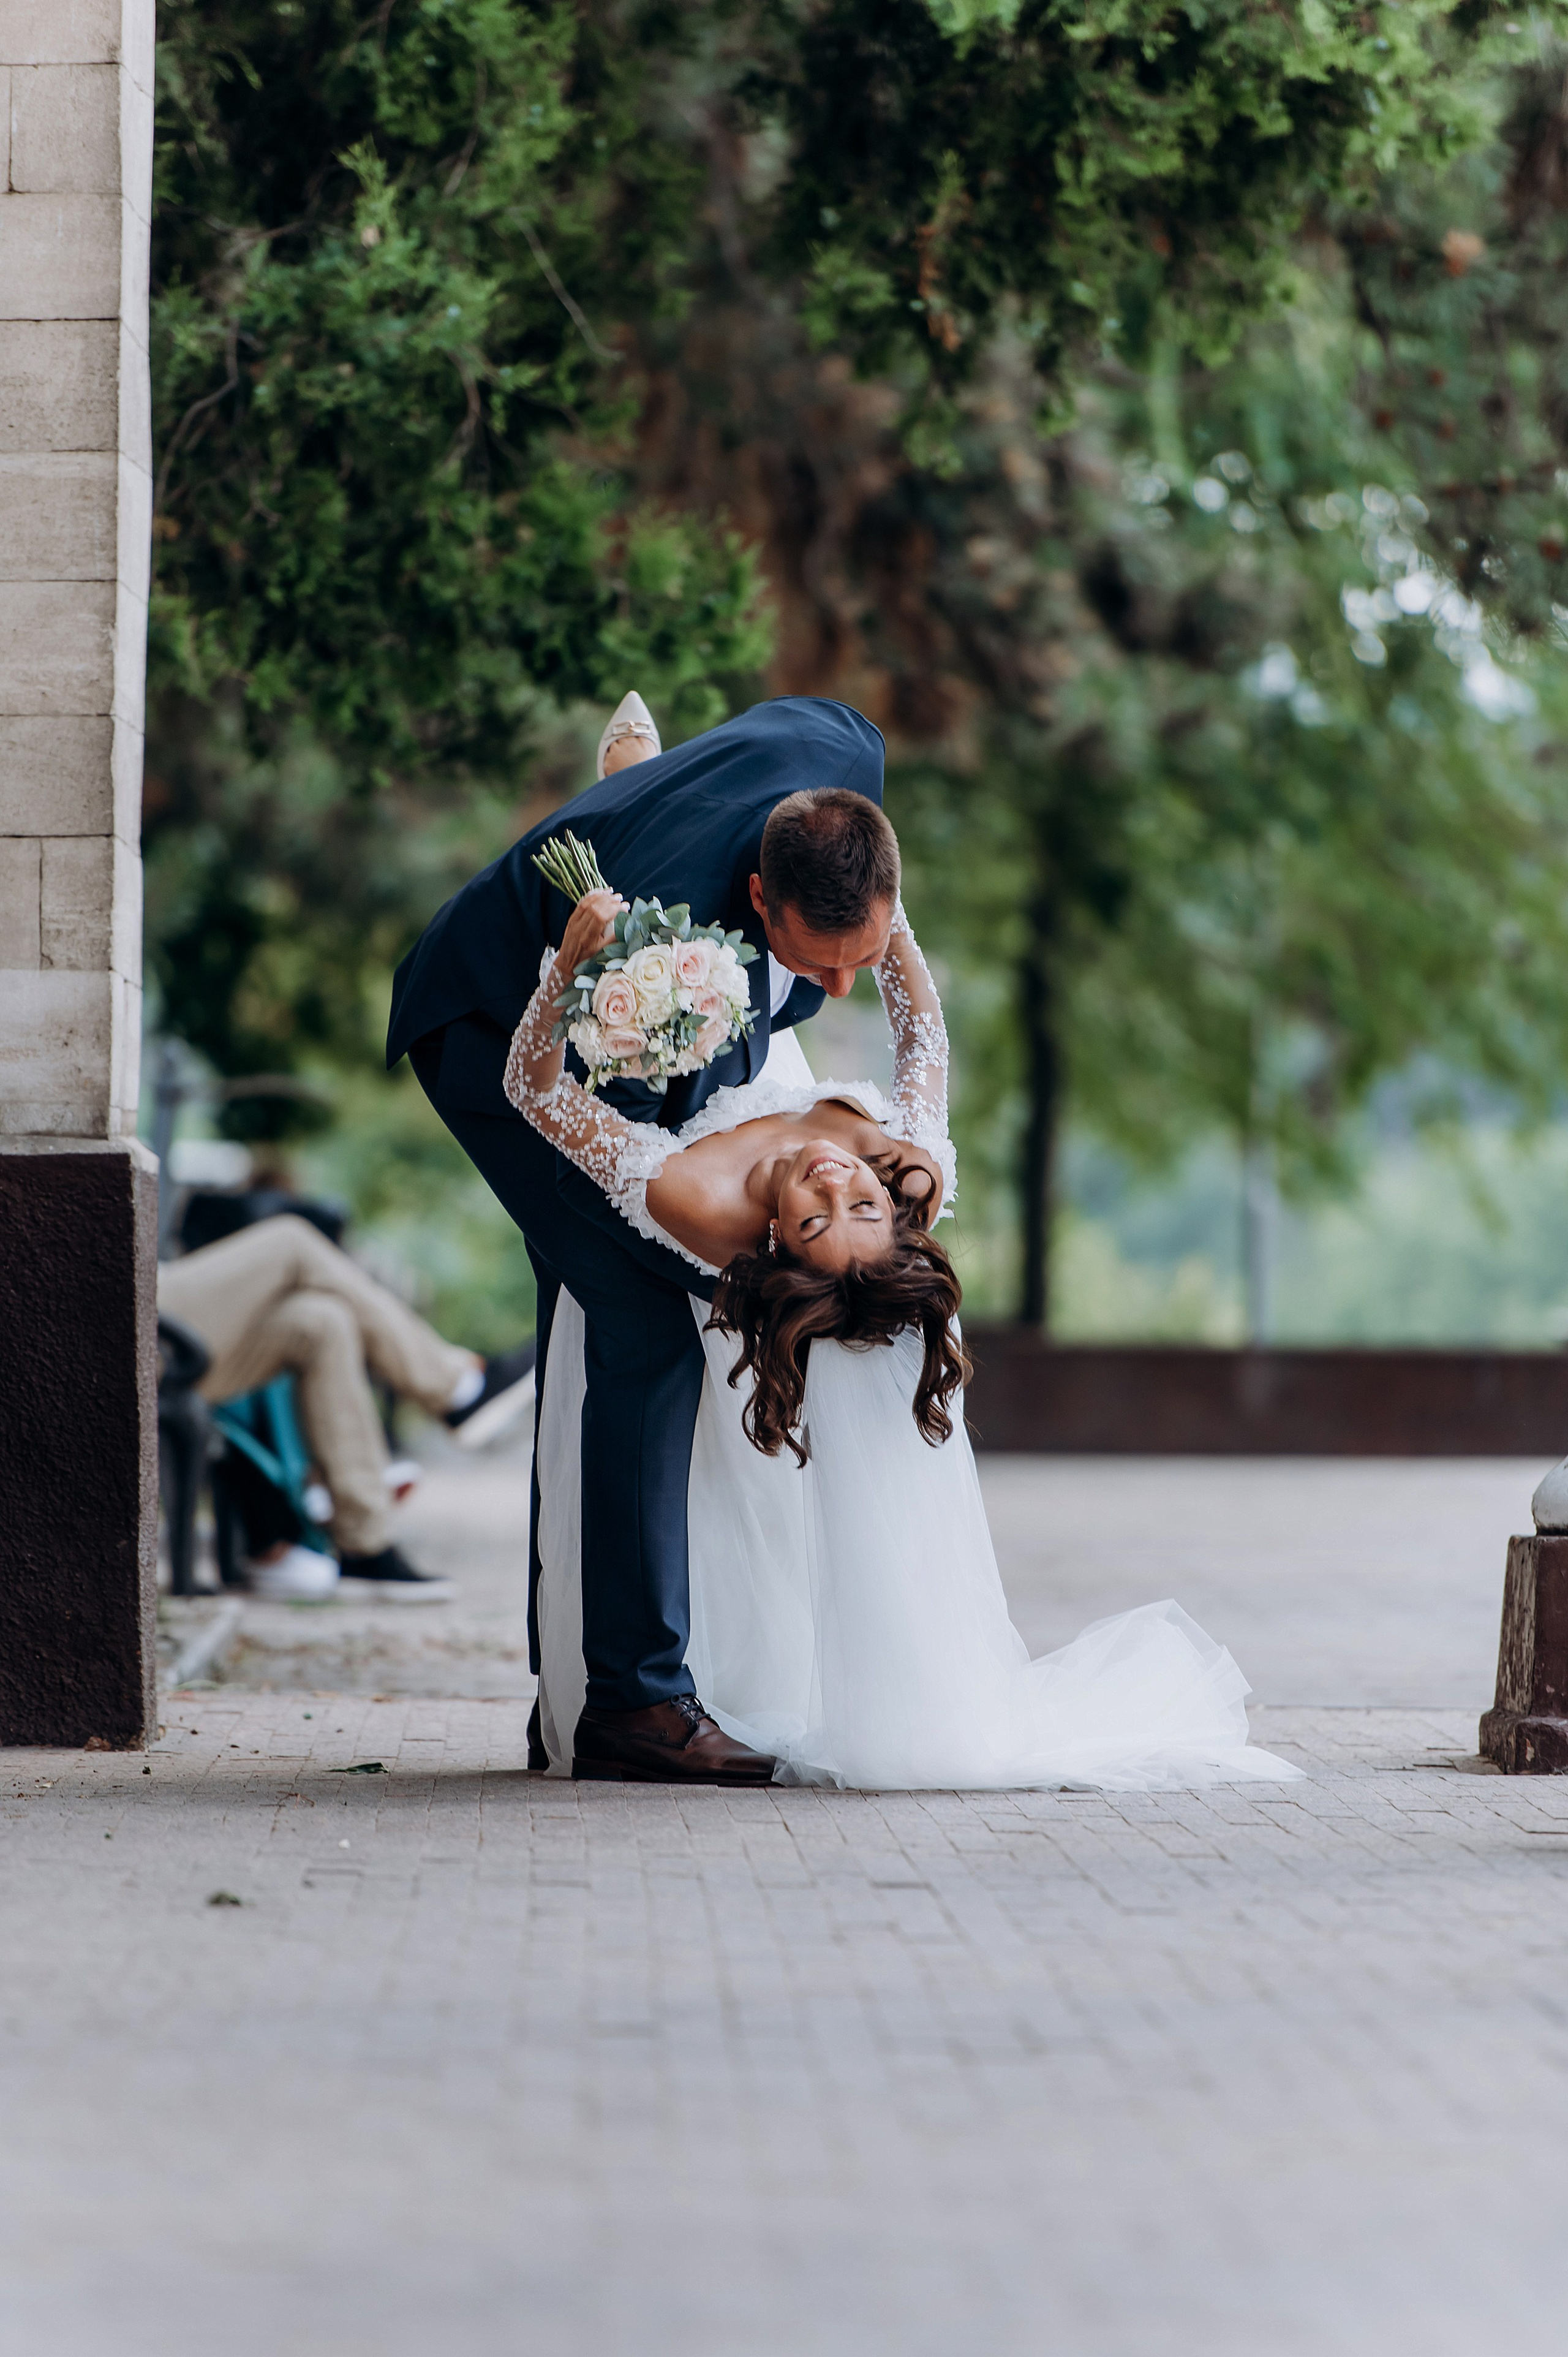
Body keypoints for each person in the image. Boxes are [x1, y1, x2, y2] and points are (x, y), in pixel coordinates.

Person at [506, 880, 1301, 1792]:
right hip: (756, 1039)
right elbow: (924, 1026)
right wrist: (886, 922)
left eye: (815, 1218)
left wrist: (571, 963)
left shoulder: (693, 1201)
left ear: (772, 1246)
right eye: (861, 1203)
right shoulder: (908, 1166)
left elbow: (529, 1090)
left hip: (665, 1078)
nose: (830, 1174)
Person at [388, 695, 899, 1783]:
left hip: (629, 1037)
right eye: (821, 965)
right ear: (758, 899)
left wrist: (635, 781)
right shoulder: (664, 958)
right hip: (500, 1042)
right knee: (640, 1327)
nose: (846, 987)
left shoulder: (847, 753)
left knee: (590, 1325)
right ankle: (631, 1703)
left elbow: (801, 732)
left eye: (864, 956)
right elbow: (618, 1136)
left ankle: (563, 1690)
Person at [157, 1216, 536, 1600]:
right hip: (124, 1314)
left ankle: (364, 1542)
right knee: (291, 1242)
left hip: (149, 1305)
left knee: (323, 1322)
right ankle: (455, 1389)